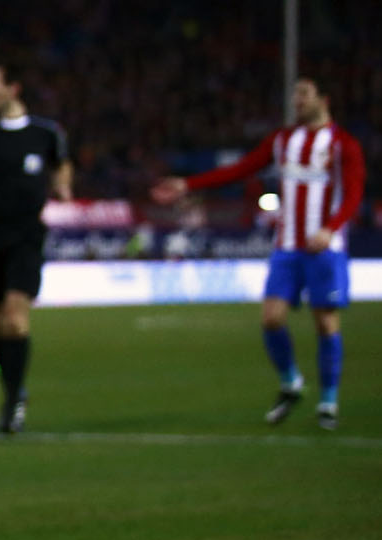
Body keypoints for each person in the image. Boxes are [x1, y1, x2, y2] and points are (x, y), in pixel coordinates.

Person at [152, 76, 364, 429]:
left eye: (303, 94)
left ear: (323, 100)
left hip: (326, 248)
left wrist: (331, 228)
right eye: (294, 94)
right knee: (271, 318)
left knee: (326, 323)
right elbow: (241, 169)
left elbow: (355, 193)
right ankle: (291, 382)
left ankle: (329, 401)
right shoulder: (283, 140)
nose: (296, 100)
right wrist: (188, 184)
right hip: (287, 246)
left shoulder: (343, 145)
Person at [0, 63, 73, 434]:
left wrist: (64, 188)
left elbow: (61, 164)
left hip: (26, 236)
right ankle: (13, 393)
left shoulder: (45, 133)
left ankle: (14, 402)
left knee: (15, 317)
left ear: (13, 88)